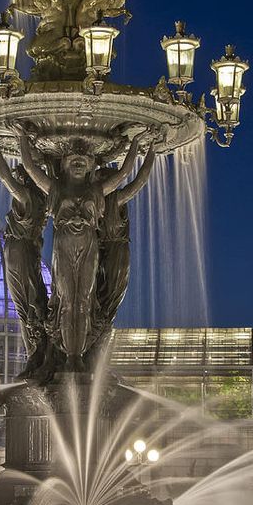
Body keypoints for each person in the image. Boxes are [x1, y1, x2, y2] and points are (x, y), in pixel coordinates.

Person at [19, 133, 142, 372]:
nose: (79, 160)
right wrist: (19, 138)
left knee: (85, 300)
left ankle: (77, 355)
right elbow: (29, 167)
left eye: (85, 158)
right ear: (63, 163)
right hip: (63, 248)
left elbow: (128, 176)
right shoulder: (54, 188)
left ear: (92, 165)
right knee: (65, 300)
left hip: (89, 248)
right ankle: (68, 356)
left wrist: (141, 146)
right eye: (73, 157)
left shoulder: (98, 191)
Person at [0, 136, 48, 377]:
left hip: (18, 254)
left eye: (21, 177)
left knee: (26, 306)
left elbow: (5, 178)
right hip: (25, 253)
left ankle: (36, 355)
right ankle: (37, 354)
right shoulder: (44, 201)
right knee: (30, 304)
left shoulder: (26, 199)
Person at [94, 143, 156, 353]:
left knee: (108, 300)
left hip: (115, 256)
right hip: (92, 254)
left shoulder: (115, 200)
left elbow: (138, 181)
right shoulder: (89, 202)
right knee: (91, 300)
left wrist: (151, 152)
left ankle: (95, 350)